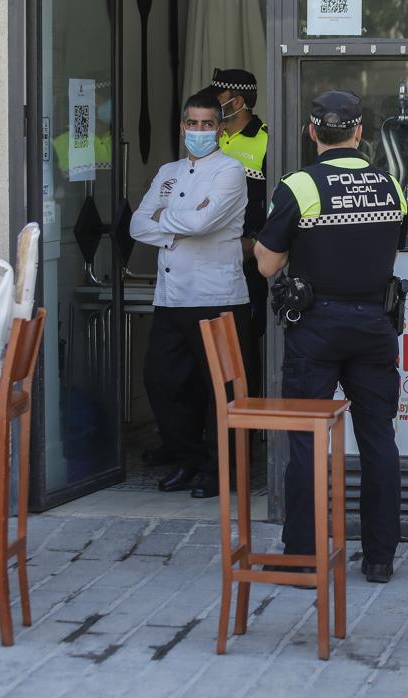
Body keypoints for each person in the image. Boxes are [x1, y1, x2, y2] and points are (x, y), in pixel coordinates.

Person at [254, 90, 407, 584]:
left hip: (317, 325)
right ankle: (380, 558)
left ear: (313, 132)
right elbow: (395, 245)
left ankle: (302, 551)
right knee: (378, 438)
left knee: (306, 438)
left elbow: (267, 263)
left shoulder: (299, 186)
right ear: (360, 133)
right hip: (375, 326)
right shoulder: (390, 185)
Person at [130, 92, 249, 498]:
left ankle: (223, 471)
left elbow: (204, 223)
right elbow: (136, 225)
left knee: (219, 389)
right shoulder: (168, 170)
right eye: (192, 124)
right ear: (182, 126)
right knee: (161, 381)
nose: (198, 131)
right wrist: (176, 219)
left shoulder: (230, 171)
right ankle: (188, 458)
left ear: (219, 128)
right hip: (171, 297)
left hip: (217, 296)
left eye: (207, 124)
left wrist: (165, 220)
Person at [208, 68, 270, 396]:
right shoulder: (210, 136)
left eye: (218, 99)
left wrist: (256, 243)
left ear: (238, 101)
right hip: (207, 258)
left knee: (243, 344)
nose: (211, 106)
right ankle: (211, 433)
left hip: (246, 262)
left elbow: (279, 204)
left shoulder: (266, 140)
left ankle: (243, 437)